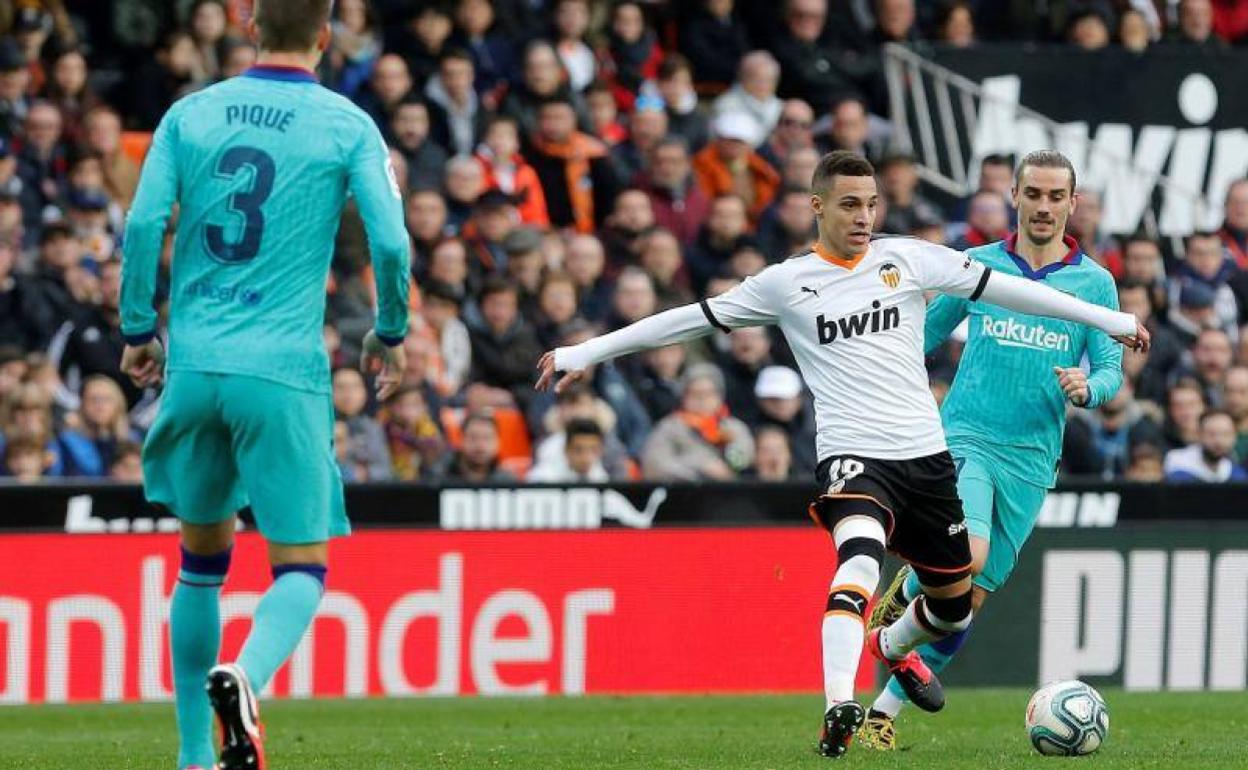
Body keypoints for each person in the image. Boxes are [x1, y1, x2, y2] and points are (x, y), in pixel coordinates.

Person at [536, 149, 1147, 758]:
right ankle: (840, 706)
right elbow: (688, 320)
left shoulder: (909, 259)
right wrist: (583, 353)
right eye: (851, 205)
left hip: (929, 459)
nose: (863, 216)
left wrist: (1106, 319)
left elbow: (1018, 295)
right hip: (860, 457)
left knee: (957, 607)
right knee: (858, 560)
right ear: (818, 206)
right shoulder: (785, 282)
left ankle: (888, 648)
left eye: (872, 205)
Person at [118, 3, 410, 768]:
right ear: (324, 35)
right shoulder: (346, 123)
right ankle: (245, 677)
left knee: (200, 560)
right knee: (302, 566)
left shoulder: (190, 114)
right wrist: (390, 330)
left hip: (194, 364)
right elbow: (390, 238)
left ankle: (191, 758)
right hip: (281, 369)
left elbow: (145, 224)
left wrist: (137, 328)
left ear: (250, 29)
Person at [859, 150, 1134, 748]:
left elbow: (1111, 364)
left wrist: (1089, 388)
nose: (1043, 205)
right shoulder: (978, 266)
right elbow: (921, 337)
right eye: (1032, 193)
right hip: (965, 438)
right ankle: (904, 604)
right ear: (1015, 195)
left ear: (1071, 202)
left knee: (969, 601)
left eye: (1054, 196)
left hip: (1033, 460)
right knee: (970, 558)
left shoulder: (1094, 282)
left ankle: (883, 708)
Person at [1164, 409, 1248, 481]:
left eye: (1225, 434)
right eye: (1211, 434)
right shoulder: (1177, 462)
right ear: (1198, 435)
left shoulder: (1236, 474)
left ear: (1234, 437)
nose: (1218, 441)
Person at [528, 416, 609, 482]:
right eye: (579, 450)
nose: (586, 458)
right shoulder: (542, 478)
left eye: (593, 450)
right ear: (566, 449)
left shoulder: (600, 476)